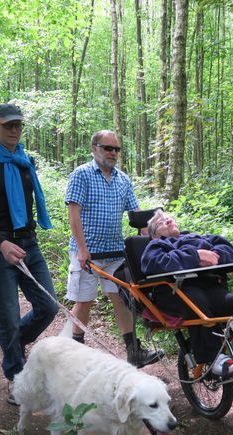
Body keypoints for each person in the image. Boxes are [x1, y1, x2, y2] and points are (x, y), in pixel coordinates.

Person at [0, 103, 58, 405]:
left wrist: (22, 240)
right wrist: (2, 244)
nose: (15, 130)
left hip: (28, 243)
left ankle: (14, 345)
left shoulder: (24, 162)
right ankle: (16, 377)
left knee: (49, 306)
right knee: (8, 315)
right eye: (8, 125)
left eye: (18, 125)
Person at [141, 209, 233, 378]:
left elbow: (227, 249)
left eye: (169, 218)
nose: (167, 221)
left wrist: (214, 256)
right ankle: (214, 358)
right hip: (174, 292)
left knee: (229, 301)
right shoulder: (156, 245)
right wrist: (195, 256)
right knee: (197, 302)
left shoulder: (197, 238)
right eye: (160, 223)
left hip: (208, 287)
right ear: (154, 234)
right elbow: (154, 263)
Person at [65, 129, 162, 368]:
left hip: (116, 253)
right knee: (84, 301)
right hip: (86, 252)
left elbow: (137, 218)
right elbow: (73, 214)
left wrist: (151, 242)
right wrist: (81, 248)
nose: (113, 153)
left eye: (116, 149)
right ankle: (75, 354)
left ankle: (133, 351)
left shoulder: (122, 179)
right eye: (108, 148)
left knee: (121, 299)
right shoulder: (82, 175)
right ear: (94, 148)